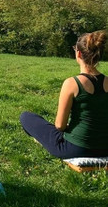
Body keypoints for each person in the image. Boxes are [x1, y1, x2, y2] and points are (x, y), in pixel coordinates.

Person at [20, 30, 108, 159]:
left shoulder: (72, 83)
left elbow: (60, 126)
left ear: (78, 53)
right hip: (105, 148)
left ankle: (43, 140)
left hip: (76, 149)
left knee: (26, 117)